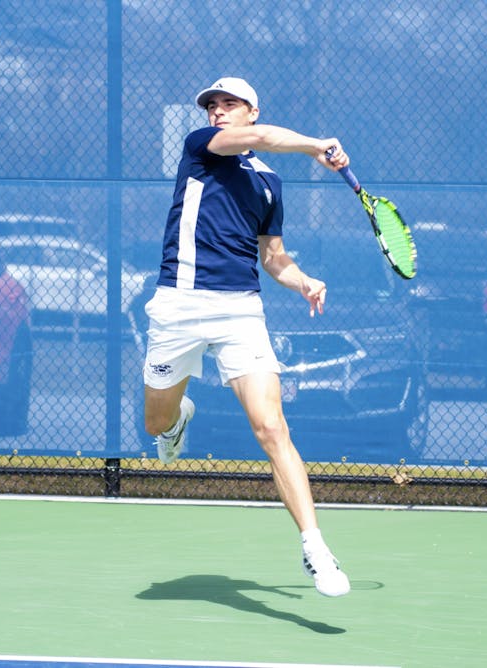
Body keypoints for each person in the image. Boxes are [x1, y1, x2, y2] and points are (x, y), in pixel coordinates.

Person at [140, 76, 351, 597]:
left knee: (272, 427)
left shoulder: (269, 183)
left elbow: (273, 255)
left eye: (229, 104)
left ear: (252, 110)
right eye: (212, 104)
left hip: (240, 310)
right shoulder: (201, 148)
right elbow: (268, 141)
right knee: (155, 421)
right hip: (179, 304)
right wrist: (315, 145)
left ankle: (316, 548)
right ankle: (177, 422)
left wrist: (302, 280)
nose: (217, 111)